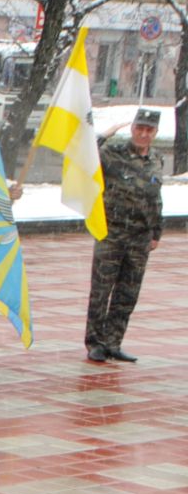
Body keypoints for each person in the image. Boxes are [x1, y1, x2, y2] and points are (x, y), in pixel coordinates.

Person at [85, 106, 163, 364]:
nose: (143, 134)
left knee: (128, 293)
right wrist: (104, 135)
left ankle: (113, 342)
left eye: (148, 130)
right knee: (101, 290)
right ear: (132, 129)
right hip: (112, 233)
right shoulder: (113, 154)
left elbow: (155, 199)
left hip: (139, 238)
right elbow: (86, 153)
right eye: (139, 128)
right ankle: (95, 343)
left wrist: (156, 232)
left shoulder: (156, 160)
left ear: (155, 132)